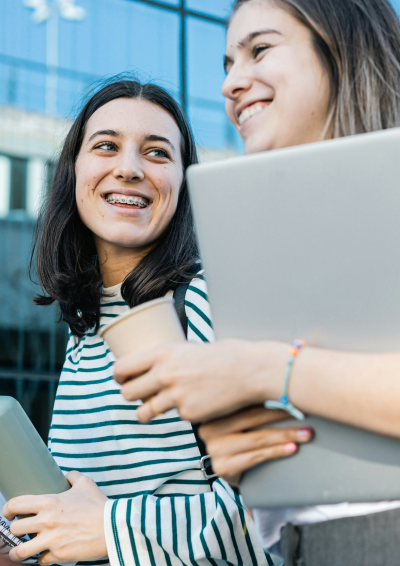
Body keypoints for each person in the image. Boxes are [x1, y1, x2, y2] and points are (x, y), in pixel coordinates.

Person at [112, 1, 400, 564]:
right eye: (226, 63)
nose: (231, 84)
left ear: (338, 49)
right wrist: (246, 461)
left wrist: (264, 368)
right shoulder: (274, 241)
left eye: (259, 49)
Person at [2, 79, 268, 566]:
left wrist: (109, 528)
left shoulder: (210, 303)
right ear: (73, 172)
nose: (128, 169)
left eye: (157, 153)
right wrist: (33, 541)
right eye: (106, 146)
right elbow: (80, 525)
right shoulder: (82, 330)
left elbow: (274, 516)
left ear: (183, 183)